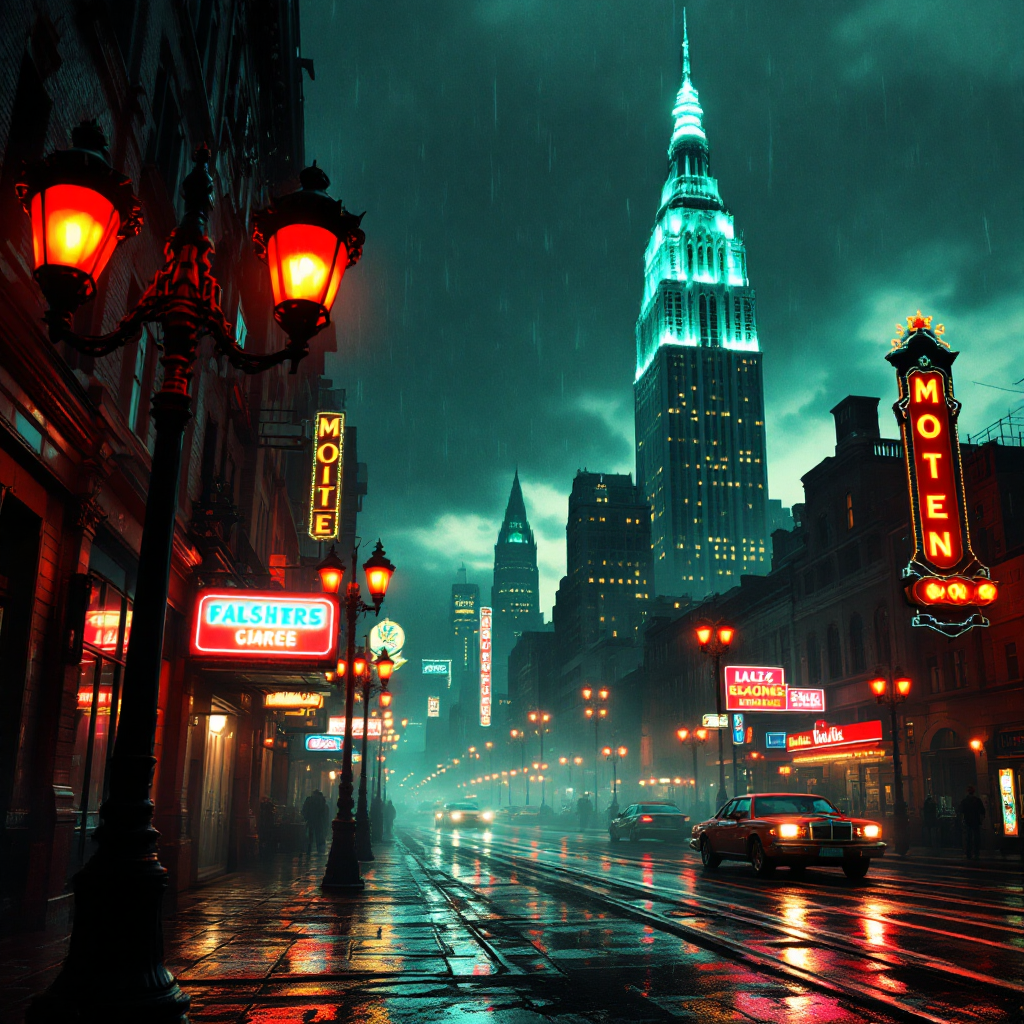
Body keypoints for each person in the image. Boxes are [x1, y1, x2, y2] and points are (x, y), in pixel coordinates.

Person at [959, 785, 986, 859]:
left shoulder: (964, 801)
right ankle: (976, 852)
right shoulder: (977, 800)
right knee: (976, 837)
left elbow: (961, 811)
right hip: (976, 821)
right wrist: (981, 820)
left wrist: (962, 820)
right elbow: (982, 811)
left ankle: (969, 853)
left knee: (968, 837)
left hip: (968, 821)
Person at [302, 790, 329, 855]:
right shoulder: (322, 801)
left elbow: (305, 809)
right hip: (319, 820)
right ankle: (320, 850)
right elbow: (324, 813)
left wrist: (306, 817)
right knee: (319, 835)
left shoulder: (309, 800)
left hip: (310, 820)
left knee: (310, 835)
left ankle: (308, 849)